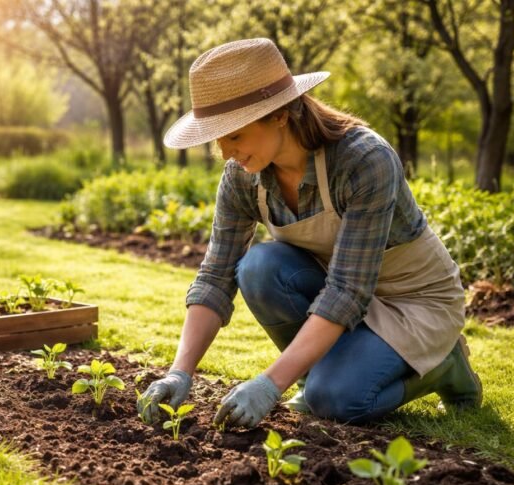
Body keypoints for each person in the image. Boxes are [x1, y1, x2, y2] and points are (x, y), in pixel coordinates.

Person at [136, 38, 481, 429]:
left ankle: (443, 364)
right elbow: (216, 274)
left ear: (280, 114)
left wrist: (269, 385)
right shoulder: (243, 177)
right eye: (217, 139)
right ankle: (320, 375)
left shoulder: (364, 160)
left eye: (233, 134)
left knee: (336, 400)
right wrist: (179, 372)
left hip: (413, 300)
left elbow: (347, 290)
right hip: (339, 293)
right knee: (258, 267)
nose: (225, 151)